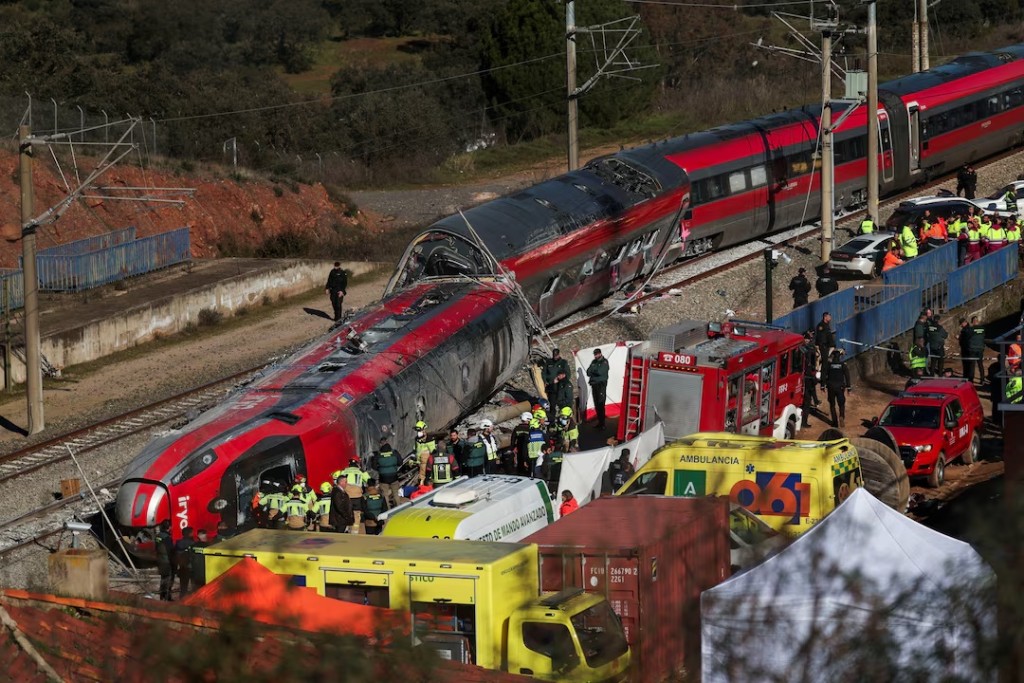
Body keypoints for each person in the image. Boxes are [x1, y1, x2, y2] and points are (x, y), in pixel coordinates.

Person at [823, 349, 851, 428]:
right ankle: (841, 416)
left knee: (832, 405)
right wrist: (849, 387)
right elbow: (847, 376)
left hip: (831, 387)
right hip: (840, 387)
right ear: (840, 357)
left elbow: (824, 374)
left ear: (833, 356)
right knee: (841, 404)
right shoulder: (843, 365)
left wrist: (823, 385)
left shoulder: (829, 365)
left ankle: (834, 422)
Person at [372, 438, 402, 508]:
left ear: (380, 444)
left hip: (383, 478)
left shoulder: (378, 454)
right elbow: (400, 462)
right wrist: (394, 467)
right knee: (395, 494)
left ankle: (387, 510)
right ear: (387, 442)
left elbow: (373, 465)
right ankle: (398, 508)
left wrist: (380, 469)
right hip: (394, 476)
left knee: (385, 495)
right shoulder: (394, 452)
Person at [586, 348, 610, 428]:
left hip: (601, 384)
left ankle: (602, 423)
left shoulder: (604, 362)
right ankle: (600, 422)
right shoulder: (594, 362)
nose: (595, 356)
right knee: (596, 404)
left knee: (600, 404)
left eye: (596, 354)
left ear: (600, 354)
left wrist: (593, 371)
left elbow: (600, 372)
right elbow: (588, 372)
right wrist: (594, 371)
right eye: (594, 354)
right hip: (594, 384)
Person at [800, 331, 819, 427]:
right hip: (807, 379)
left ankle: (816, 401)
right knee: (807, 403)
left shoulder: (800, 348)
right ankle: (803, 422)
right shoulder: (809, 350)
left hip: (803, 378)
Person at [174, 527, 196, 598]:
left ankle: (182, 602)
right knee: (194, 588)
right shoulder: (193, 543)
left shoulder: (178, 543)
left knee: (183, 588)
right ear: (190, 534)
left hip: (182, 567)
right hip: (191, 568)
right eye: (192, 532)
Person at [155, 521, 175, 601]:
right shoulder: (167, 538)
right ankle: (167, 597)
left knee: (163, 578)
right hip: (167, 561)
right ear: (169, 527)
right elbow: (170, 551)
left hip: (160, 560)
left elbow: (156, 547)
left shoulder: (158, 536)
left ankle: (162, 596)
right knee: (168, 579)